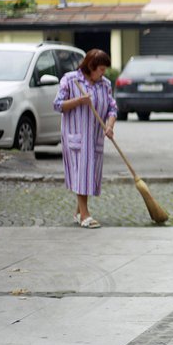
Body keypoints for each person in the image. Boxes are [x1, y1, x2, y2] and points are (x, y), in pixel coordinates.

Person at [53, 49, 118, 228]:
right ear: (91, 66)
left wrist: (110, 126)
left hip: (95, 137)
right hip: (77, 138)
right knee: (82, 174)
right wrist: (79, 101)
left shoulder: (105, 84)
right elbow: (57, 105)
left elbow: (113, 108)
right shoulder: (70, 80)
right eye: (101, 69)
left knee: (89, 175)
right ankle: (85, 215)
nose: (103, 73)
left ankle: (78, 211)